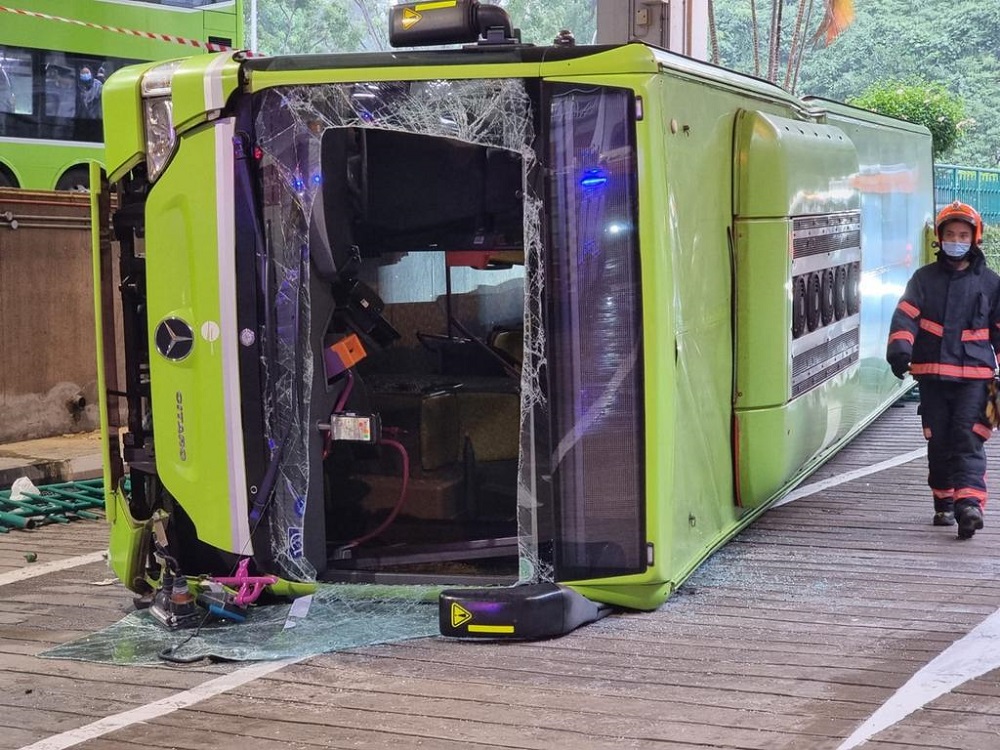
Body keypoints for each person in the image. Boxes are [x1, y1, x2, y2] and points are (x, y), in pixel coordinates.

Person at [886, 201, 1000, 539]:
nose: (956, 239)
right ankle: (944, 500)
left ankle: (969, 504)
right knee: (938, 441)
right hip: (933, 377)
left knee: (968, 436)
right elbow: (906, 317)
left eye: (963, 234)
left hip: (975, 379)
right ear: (939, 238)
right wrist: (899, 350)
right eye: (950, 234)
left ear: (975, 238)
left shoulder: (992, 285)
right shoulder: (923, 280)